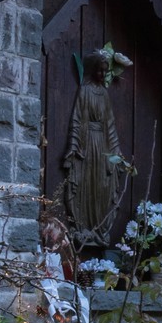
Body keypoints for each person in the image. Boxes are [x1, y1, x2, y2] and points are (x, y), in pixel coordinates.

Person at [61, 47, 132, 247]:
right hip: (86, 144)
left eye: (105, 71)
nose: (102, 74)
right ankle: (83, 227)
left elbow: (110, 125)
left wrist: (116, 152)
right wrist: (74, 146)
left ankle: (99, 229)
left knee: (103, 185)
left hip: (103, 146)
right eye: (100, 70)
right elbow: (76, 119)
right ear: (93, 70)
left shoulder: (104, 94)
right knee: (85, 184)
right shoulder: (85, 91)